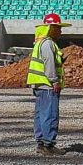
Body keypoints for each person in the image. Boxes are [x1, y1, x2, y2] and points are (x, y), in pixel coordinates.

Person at [28, 13, 66, 155]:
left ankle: (41, 142)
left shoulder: (39, 43)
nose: (60, 31)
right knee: (50, 114)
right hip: (48, 85)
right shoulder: (48, 44)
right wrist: (54, 81)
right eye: (58, 28)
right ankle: (48, 144)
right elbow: (48, 64)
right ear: (51, 28)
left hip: (39, 85)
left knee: (40, 114)